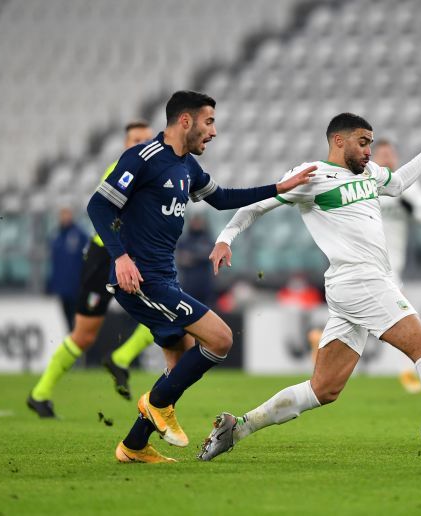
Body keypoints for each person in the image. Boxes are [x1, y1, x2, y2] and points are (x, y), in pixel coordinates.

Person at [198, 113, 421, 461]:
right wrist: (226, 238)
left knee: (324, 389)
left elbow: (399, 183)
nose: (369, 151)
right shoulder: (312, 176)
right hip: (361, 279)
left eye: (371, 143)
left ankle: (238, 427)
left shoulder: (370, 174)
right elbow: (257, 206)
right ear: (339, 141)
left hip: (355, 287)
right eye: (363, 143)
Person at [87, 90, 315, 463]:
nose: (213, 131)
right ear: (185, 121)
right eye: (209, 122)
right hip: (141, 279)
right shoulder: (142, 157)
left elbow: (222, 197)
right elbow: (98, 204)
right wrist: (121, 257)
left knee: (181, 366)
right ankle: (155, 402)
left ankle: (133, 445)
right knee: (221, 338)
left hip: (164, 276)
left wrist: (278, 189)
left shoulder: (187, 167)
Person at [27, 121, 157, 418]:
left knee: (166, 311)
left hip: (133, 256)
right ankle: (40, 394)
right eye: (136, 140)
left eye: (147, 141)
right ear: (125, 143)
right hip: (105, 257)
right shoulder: (119, 171)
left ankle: (121, 359)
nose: (141, 145)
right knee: (84, 336)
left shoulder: (153, 173)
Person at [371, 139, 421, 393]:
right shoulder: (367, 185)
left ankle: (318, 337)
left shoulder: (406, 186)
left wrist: (408, 206)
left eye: (391, 154)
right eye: (383, 154)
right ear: (374, 157)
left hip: (391, 267)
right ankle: (410, 370)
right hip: (371, 262)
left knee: (395, 317)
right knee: (402, 316)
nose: (388, 158)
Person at [46, 207, 89, 331]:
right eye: (62, 214)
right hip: (62, 288)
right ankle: (73, 345)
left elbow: (87, 259)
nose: (65, 217)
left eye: (67, 214)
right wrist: (50, 283)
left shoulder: (80, 235)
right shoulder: (55, 236)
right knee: (67, 321)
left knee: (78, 321)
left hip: (77, 287)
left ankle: (80, 347)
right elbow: (54, 263)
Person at [175, 214, 217, 306]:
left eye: (199, 222)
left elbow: (211, 256)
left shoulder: (208, 239)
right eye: (195, 221)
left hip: (206, 284)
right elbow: (179, 259)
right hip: (188, 283)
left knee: (207, 310)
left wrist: (192, 257)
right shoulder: (184, 240)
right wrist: (199, 256)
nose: (197, 224)